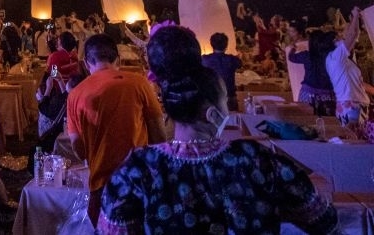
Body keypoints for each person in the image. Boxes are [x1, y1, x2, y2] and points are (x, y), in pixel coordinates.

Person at [99, 25, 338, 234]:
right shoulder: (256, 159)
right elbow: (324, 220)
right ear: (213, 114)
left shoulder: (137, 170)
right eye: (225, 102)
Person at [66, 33, 165, 227]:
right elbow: (159, 137)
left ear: (87, 63)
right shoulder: (139, 83)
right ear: (117, 59)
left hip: (101, 184)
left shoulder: (74, 93)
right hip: (139, 179)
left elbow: (79, 150)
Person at [326, 7, 370, 128]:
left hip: (352, 104)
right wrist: (355, 16)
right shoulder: (336, 56)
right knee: (354, 140)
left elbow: (352, 36)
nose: (341, 36)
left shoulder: (341, 59)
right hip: (351, 106)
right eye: (338, 36)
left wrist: (354, 20)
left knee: (355, 141)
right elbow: (352, 35)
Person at [288, 29, 337, 115]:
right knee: (328, 123)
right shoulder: (330, 57)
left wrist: (293, 48)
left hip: (308, 94)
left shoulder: (307, 55)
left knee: (307, 122)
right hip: (327, 96)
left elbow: (291, 58)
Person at [201, 32, 242, 112]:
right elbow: (239, 64)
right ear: (226, 45)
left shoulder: (205, 60)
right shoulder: (232, 60)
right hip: (230, 98)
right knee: (232, 122)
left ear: (211, 44)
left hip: (211, 98)